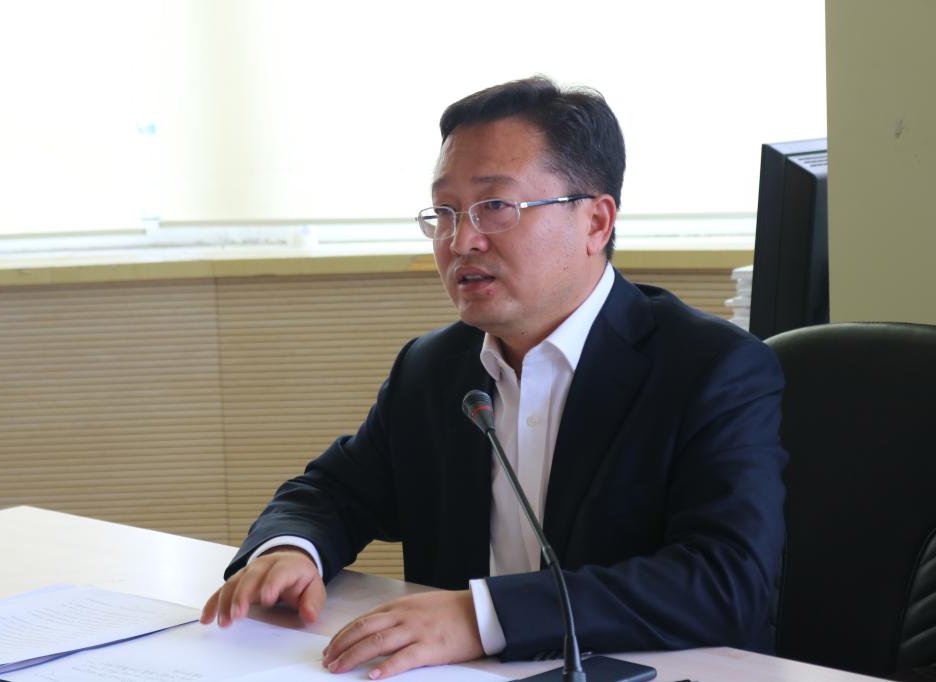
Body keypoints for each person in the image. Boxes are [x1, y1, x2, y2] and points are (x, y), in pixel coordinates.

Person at [200, 76, 787, 680]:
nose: (461, 241)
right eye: (445, 212)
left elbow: (726, 581)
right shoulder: (433, 368)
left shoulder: (712, 368)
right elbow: (333, 492)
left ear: (595, 222)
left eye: (495, 207)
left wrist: (483, 618)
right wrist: (291, 549)